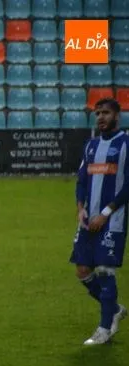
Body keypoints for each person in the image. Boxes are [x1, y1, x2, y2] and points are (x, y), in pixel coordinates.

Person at [71, 97, 129, 345]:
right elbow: (82, 180)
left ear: (117, 116)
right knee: (83, 271)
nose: (101, 117)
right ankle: (114, 309)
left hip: (112, 219)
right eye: (97, 114)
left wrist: (105, 213)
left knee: (105, 270)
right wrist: (80, 209)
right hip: (88, 219)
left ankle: (105, 329)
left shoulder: (125, 143)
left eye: (105, 113)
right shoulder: (91, 145)